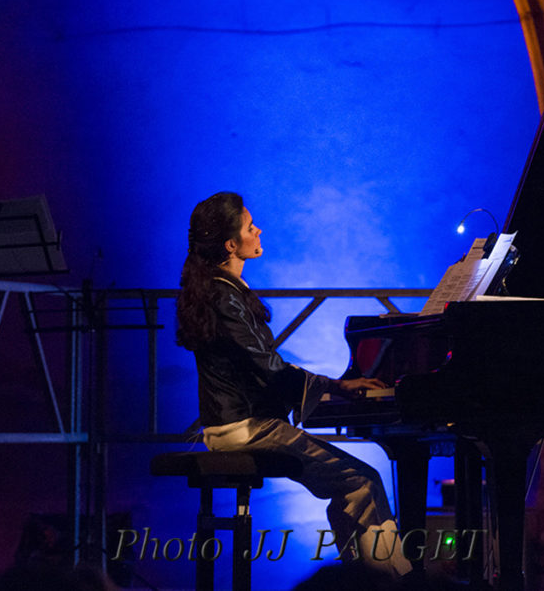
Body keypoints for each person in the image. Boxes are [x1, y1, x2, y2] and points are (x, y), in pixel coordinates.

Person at [176, 191, 412, 578]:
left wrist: (329, 389)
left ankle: (363, 579)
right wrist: (337, 387)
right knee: (363, 482)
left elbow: (265, 369)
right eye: (250, 227)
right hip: (246, 429)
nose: (258, 230)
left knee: (353, 486)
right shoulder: (223, 296)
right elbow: (269, 368)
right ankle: (389, 583)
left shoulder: (220, 290)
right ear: (231, 244)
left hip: (238, 426)